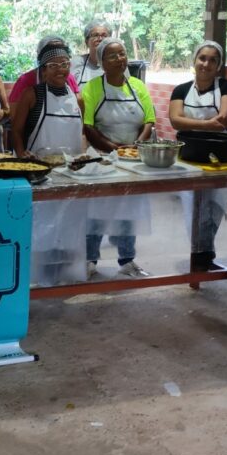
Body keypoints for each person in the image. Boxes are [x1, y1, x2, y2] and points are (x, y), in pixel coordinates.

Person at [11, 40, 86, 285]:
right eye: (53, 65)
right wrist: (22, 153)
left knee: (68, 226)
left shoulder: (77, 99)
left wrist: (84, 155)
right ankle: (37, 277)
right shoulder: (32, 94)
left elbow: (81, 132)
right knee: (42, 228)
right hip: (40, 174)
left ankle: (63, 274)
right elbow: (17, 130)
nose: (60, 69)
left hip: (70, 172)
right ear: (43, 69)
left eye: (65, 64)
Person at [81, 37, 157, 279]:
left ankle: (127, 260)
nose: (119, 59)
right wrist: (113, 148)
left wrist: (136, 146)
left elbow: (149, 120)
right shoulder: (92, 87)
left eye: (122, 54)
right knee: (96, 212)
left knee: (128, 212)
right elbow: (88, 126)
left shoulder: (138, 86)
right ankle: (89, 261)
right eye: (112, 55)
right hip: (103, 158)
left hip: (133, 159)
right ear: (101, 61)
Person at [168, 41, 227, 270]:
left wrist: (196, 124)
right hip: (188, 157)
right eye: (202, 58)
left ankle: (203, 254)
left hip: (218, 158)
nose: (206, 64)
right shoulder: (181, 89)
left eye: (212, 60)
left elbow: (224, 121)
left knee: (214, 207)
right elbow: (174, 120)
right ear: (194, 60)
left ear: (218, 66)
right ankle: (201, 256)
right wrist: (209, 122)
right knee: (194, 208)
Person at [7, 35, 81, 118]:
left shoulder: (69, 78)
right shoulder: (25, 81)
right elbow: (15, 116)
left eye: (63, 63)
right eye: (53, 65)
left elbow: (78, 110)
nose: (59, 69)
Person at [70, 20, 111, 87]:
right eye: (95, 35)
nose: (100, 39)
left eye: (104, 36)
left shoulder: (118, 62)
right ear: (86, 42)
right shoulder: (76, 63)